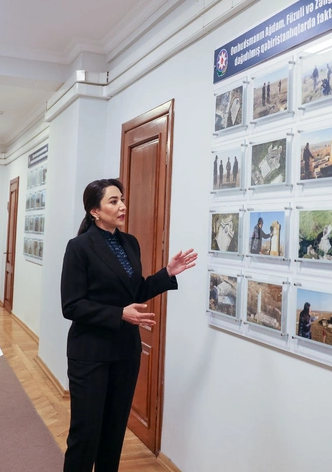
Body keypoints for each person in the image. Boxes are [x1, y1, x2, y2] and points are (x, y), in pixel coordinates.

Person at [61, 179, 197, 472]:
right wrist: (119, 314)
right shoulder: (79, 247)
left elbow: (135, 292)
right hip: (90, 353)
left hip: (125, 351)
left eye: (121, 199)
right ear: (94, 211)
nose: (122, 206)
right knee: (86, 434)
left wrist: (167, 273)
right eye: (113, 201)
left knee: (113, 432)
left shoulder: (130, 242)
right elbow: (71, 306)